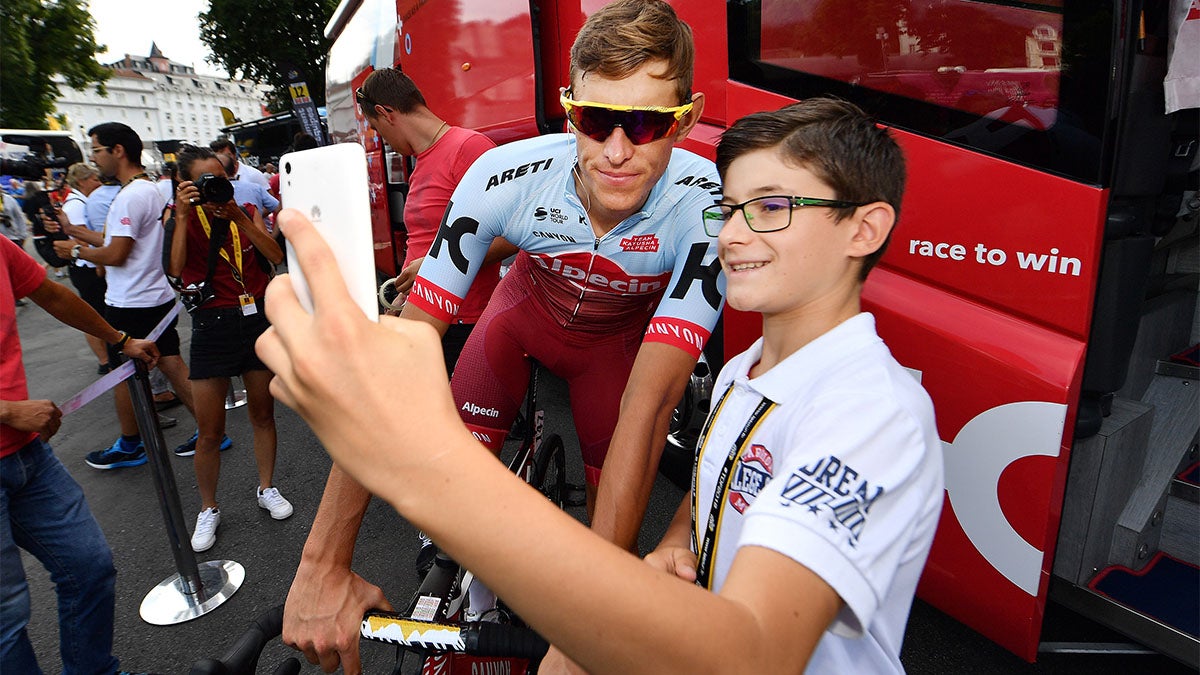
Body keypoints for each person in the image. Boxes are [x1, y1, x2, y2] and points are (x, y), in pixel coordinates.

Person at [258, 96, 944, 675]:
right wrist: (679, 545)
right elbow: (721, 489)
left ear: (865, 227)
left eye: (770, 208)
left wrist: (420, 466)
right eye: (730, 208)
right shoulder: (749, 367)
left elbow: (758, 652)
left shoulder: (871, 411)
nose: (732, 235)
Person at [281, 1, 724, 669]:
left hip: (615, 364)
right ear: (569, 107)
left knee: (608, 559)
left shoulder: (708, 202)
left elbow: (652, 399)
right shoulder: (502, 174)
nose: (616, 150)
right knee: (452, 498)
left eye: (647, 123)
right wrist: (322, 562)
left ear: (686, 118)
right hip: (515, 325)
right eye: (596, 119)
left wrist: (593, 627)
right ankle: (477, 581)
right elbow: (394, 361)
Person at [1, 236, 159, 674]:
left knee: (89, 567)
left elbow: (50, 293)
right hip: (18, 432)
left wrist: (118, 338)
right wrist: (8, 409)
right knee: (6, 617)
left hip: (26, 455)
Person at [168, 145, 291, 552]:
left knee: (262, 412)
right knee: (209, 430)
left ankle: (267, 487)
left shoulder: (243, 210)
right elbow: (174, 268)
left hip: (255, 320)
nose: (213, 186)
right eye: (203, 181)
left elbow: (274, 256)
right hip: (212, 324)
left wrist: (239, 215)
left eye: (218, 177)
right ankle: (208, 508)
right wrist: (184, 215)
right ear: (186, 184)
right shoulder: (179, 216)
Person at [52, 122, 197, 470]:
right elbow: (116, 243)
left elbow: (116, 254)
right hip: (150, 294)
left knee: (122, 371)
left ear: (118, 150)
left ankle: (132, 443)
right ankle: (210, 428)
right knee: (169, 359)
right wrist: (76, 235)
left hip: (133, 299)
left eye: (96, 150)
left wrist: (74, 252)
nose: (93, 158)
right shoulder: (145, 189)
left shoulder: (131, 195)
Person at [356, 67, 500, 373]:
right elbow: (422, 242)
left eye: (378, 130)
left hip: (462, 322)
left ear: (386, 113)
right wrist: (399, 301)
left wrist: (437, 264)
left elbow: (511, 234)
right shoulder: (422, 160)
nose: (385, 142)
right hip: (424, 316)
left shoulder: (468, 148)